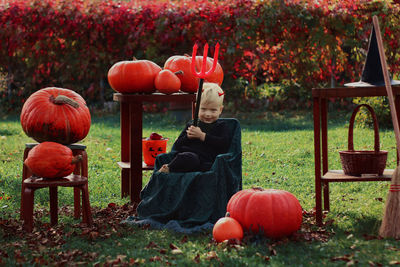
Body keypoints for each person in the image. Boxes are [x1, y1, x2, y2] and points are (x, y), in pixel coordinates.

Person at [158, 82, 230, 173]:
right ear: (196, 107)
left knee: (206, 166)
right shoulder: (192, 125)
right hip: (187, 158)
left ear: (220, 110)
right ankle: (169, 169)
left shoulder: (221, 126)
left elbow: (224, 144)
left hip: (206, 162)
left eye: (213, 110)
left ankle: (171, 170)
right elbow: (177, 145)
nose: (208, 114)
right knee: (189, 158)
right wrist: (187, 137)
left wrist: (203, 136)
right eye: (203, 109)